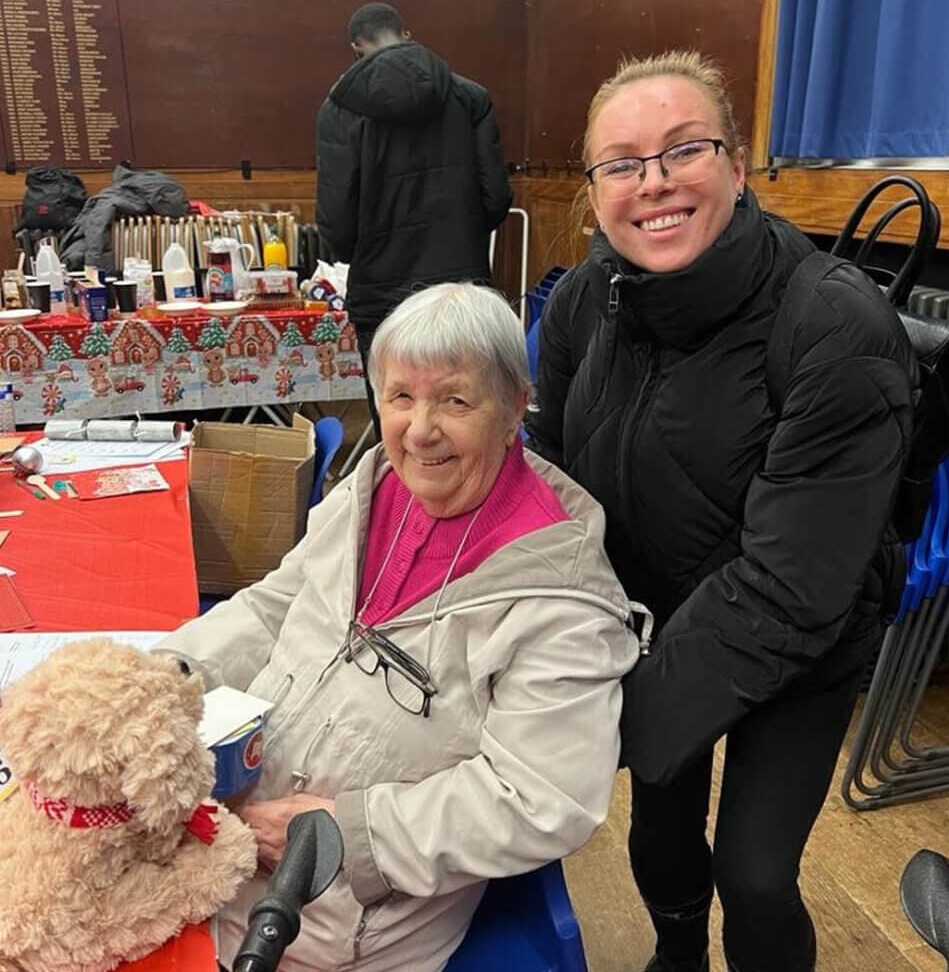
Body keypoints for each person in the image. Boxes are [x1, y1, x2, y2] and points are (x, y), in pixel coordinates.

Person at [526, 51, 916, 972]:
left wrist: (608, 729)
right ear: (595, 190)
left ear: (737, 167)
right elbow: (550, 463)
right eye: (621, 163)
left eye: (683, 150)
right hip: (652, 612)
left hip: (803, 630)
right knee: (660, 828)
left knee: (754, 872)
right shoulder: (588, 300)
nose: (653, 183)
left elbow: (793, 584)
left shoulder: (833, 326)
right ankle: (675, 955)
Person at [158, 283, 638, 972]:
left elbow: (541, 798)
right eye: (400, 396)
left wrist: (344, 834)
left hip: (324, 912)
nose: (419, 429)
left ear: (514, 410)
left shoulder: (561, 600)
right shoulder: (372, 486)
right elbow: (274, 606)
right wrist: (168, 677)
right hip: (218, 832)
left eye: (455, 399)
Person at [315, 2, 513, 437]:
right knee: (468, 417)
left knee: (399, 426)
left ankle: (404, 507)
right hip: (462, 287)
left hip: (382, 294)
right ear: (406, 33)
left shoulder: (340, 110)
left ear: (357, 47)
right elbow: (496, 199)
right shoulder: (470, 97)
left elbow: (337, 224)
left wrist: (363, 251)